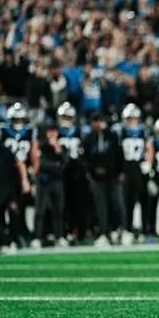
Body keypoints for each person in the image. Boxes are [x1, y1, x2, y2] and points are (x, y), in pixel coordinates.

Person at [0, 102, 38, 247]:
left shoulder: (30, 132)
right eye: (15, 119)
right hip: (5, 174)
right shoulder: (2, 131)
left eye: (20, 119)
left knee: (19, 207)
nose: (18, 122)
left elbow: (33, 156)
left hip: (21, 175)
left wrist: (31, 174)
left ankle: (18, 235)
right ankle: (0, 236)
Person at [82, 113, 128, 246]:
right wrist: (92, 171)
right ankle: (103, 233)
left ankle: (122, 230)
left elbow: (119, 154)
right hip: (97, 177)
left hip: (113, 176)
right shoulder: (88, 139)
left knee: (118, 203)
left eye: (100, 121)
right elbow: (85, 159)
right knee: (100, 206)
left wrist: (120, 171)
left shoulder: (112, 137)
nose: (98, 124)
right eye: (95, 121)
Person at [111, 103, 151, 243]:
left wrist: (148, 163)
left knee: (139, 200)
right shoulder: (119, 131)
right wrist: (119, 170)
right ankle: (124, 229)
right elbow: (116, 152)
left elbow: (149, 147)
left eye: (134, 118)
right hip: (125, 167)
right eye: (129, 118)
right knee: (124, 201)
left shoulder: (142, 131)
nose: (131, 121)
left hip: (138, 168)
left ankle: (139, 230)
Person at [31, 123, 68, 249]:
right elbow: (41, 164)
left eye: (54, 131)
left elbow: (65, 163)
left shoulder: (61, 146)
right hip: (43, 181)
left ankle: (59, 236)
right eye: (50, 131)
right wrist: (56, 166)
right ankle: (37, 237)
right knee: (40, 210)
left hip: (57, 182)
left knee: (59, 210)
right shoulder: (41, 146)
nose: (52, 134)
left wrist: (57, 149)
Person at [56, 101, 89, 242]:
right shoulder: (55, 132)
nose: (66, 120)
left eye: (68, 117)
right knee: (61, 204)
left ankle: (77, 231)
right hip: (60, 171)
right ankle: (63, 231)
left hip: (77, 171)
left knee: (78, 203)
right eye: (64, 117)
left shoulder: (79, 131)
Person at [0, 123, 17, 253]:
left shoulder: (2, 151)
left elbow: (12, 172)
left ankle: (6, 241)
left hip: (1, 190)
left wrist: (12, 196)